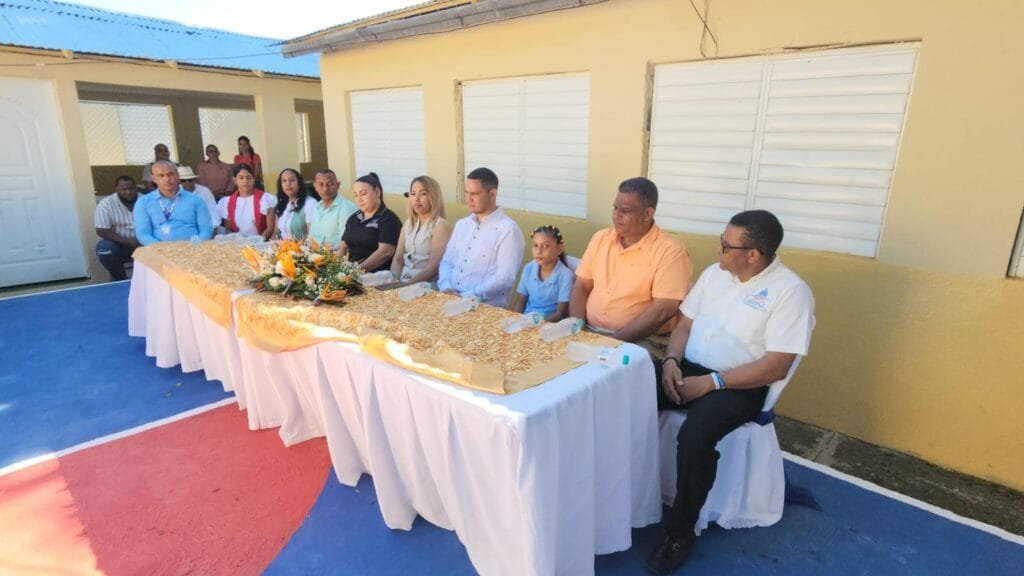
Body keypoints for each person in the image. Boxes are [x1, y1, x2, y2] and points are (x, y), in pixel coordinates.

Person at [647, 210, 815, 575]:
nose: (718, 249)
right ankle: (624, 494)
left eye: (726, 245)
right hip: (687, 368)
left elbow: (776, 365)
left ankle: (680, 533)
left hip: (739, 385)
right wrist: (671, 361)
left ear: (752, 254)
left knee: (695, 437)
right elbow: (684, 325)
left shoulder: (791, 293)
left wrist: (712, 383)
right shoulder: (714, 274)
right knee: (623, 388)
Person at [569, 177, 691, 343]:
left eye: (625, 211)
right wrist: (578, 329)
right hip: (589, 332)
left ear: (647, 214)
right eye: (615, 208)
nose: (616, 216)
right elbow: (581, 286)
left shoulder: (671, 252)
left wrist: (613, 343)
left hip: (643, 340)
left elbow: (664, 309)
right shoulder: (601, 238)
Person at [438, 167, 524, 307]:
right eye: (466, 193)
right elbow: (447, 261)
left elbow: (505, 277)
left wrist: (465, 297)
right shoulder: (462, 225)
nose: (469, 199)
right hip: (449, 299)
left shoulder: (508, 230)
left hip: (483, 308)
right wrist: (446, 288)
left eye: (475, 194)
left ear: (492, 193)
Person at [390, 175, 452, 284]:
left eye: (423, 194)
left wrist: (406, 285)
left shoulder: (440, 226)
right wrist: (393, 281)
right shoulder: (408, 224)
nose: (417, 199)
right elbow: (398, 259)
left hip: (426, 285)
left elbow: (433, 267)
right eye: (413, 194)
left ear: (433, 196)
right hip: (402, 280)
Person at [133, 161, 213, 245]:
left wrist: (195, 246)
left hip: (193, 248)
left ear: (177, 175)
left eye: (170, 174)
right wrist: (161, 248)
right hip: (158, 249)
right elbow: (143, 233)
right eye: (161, 175)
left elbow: (206, 229)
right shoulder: (143, 202)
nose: (167, 179)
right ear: (153, 179)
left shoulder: (196, 200)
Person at [509, 225, 575, 322]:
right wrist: (515, 319)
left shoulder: (565, 275)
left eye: (545, 246)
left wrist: (538, 325)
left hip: (549, 325)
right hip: (526, 321)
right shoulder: (529, 268)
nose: (538, 251)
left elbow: (561, 313)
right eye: (535, 245)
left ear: (559, 249)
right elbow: (521, 302)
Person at [341, 172, 402, 273]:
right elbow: (343, 246)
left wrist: (357, 271)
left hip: (377, 274)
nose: (359, 199)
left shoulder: (388, 219)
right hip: (351, 272)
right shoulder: (354, 218)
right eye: (356, 195)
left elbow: (385, 252)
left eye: (363, 194)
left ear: (377, 192)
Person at [95, 175, 139, 280]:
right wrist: (128, 242)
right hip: (119, 245)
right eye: (124, 189)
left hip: (144, 242)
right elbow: (101, 230)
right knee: (105, 249)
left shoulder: (145, 200)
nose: (128, 192)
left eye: (131, 188)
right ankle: (121, 280)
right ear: (116, 189)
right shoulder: (106, 204)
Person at [216, 163, 276, 241]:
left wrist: (257, 241)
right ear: (235, 180)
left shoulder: (266, 199)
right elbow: (229, 229)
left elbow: (270, 228)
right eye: (241, 178)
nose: (245, 181)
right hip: (238, 243)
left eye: (249, 177)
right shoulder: (227, 202)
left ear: (253, 179)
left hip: (261, 243)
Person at [308, 169, 358, 248]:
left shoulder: (346, 208)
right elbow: (311, 237)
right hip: (313, 253)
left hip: (335, 255)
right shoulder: (317, 207)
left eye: (329, 184)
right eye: (321, 184)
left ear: (338, 185)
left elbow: (347, 243)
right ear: (315, 187)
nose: (325, 189)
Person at [274, 168, 315, 240]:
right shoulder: (282, 204)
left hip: (303, 246)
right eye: (284, 181)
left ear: (299, 183)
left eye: (292, 180)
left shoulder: (310, 203)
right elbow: (276, 233)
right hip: (282, 246)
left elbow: (312, 236)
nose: (288, 184)